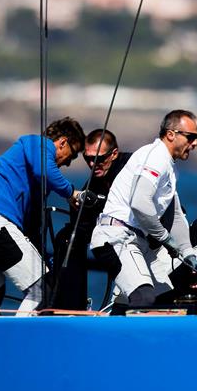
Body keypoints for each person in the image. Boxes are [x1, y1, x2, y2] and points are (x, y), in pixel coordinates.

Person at [0, 117, 85, 315]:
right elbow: (46, 171)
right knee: (42, 289)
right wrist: (71, 193)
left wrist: (42, 258)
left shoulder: (35, 172)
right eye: (72, 155)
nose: (67, 163)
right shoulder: (36, 143)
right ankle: (19, 338)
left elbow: (31, 226)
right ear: (62, 142)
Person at [90, 110, 197, 309]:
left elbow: (175, 214)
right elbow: (140, 204)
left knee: (168, 299)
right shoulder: (155, 157)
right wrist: (165, 239)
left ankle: (115, 330)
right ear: (170, 135)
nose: (195, 144)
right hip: (117, 236)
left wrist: (187, 252)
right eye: (191, 137)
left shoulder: (169, 166)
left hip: (138, 240)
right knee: (145, 298)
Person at [50, 129, 130, 310]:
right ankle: (70, 309)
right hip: (115, 245)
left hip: (146, 240)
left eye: (99, 159)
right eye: (88, 159)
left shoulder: (132, 167)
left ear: (114, 154)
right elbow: (82, 227)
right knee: (67, 237)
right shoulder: (92, 184)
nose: (93, 164)